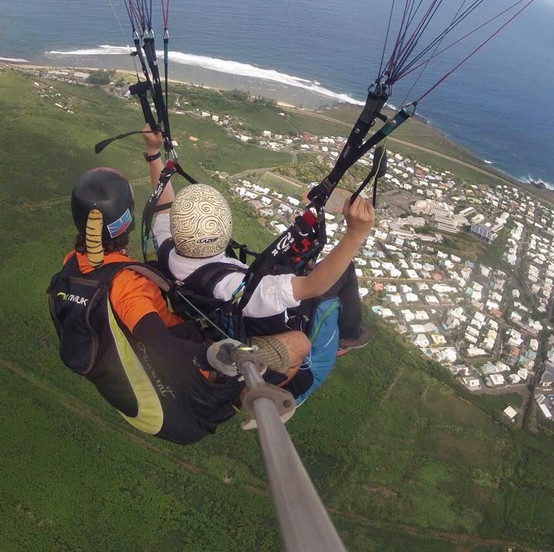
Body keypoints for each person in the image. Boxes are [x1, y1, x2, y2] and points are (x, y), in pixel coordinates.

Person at [47, 165, 309, 445]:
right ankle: (244, 397)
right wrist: (210, 355)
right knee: (299, 344)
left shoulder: (72, 266)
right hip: (179, 412)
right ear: (127, 220)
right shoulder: (128, 286)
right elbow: (160, 345)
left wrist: (154, 155)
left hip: (136, 405)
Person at [142, 127, 375, 391]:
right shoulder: (236, 287)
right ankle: (348, 338)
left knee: (298, 261)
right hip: (259, 322)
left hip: (217, 302)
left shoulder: (167, 247)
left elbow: (163, 206)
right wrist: (355, 235)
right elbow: (313, 287)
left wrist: (153, 152)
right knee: (343, 271)